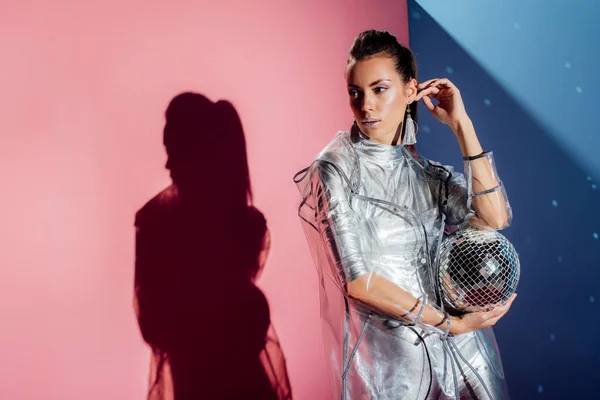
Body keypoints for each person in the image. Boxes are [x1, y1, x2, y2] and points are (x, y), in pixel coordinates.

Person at [294, 30, 516, 399]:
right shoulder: (334, 169)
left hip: (463, 355)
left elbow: (493, 220)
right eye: (355, 92)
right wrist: (449, 324)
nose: (366, 105)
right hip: (395, 362)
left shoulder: (430, 175)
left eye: (380, 89)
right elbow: (358, 282)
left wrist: (463, 126)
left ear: (411, 90)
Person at [134, 92, 292, 399]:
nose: (167, 164)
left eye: (174, 151)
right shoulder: (158, 223)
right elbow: (153, 324)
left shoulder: (242, 225)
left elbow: (155, 321)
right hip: (203, 382)